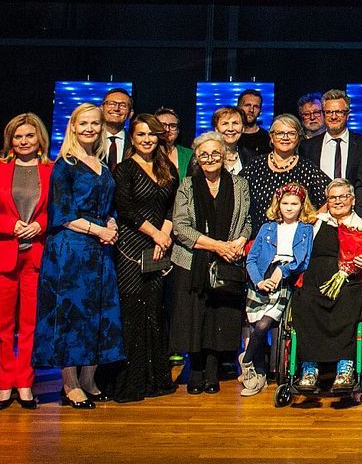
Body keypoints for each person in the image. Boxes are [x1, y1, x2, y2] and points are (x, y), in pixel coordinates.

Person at [33, 103, 125, 409]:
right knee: (70, 315)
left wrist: (110, 223)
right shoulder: (65, 165)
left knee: (97, 313)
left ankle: (89, 379)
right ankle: (70, 384)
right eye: (83, 123)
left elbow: (108, 205)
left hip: (100, 251)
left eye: (95, 123)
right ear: (73, 126)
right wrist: (99, 230)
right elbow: (62, 214)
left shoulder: (102, 163)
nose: (90, 128)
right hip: (70, 250)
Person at [0, 112, 51, 410]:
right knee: (2, 325)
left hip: (36, 256)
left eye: (29, 136)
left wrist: (40, 224)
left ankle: (24, 381)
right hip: (2, 255)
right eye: (18, 136)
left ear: (39, 139)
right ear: (10, 140)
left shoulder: (52, 170)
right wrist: (10, 225)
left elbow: (58, 210)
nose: (23, 141)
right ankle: (4, 382)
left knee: (31, 324)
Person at [170, 133, 251, 394]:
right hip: (192, 261)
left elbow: (247, 221)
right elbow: (180, 227)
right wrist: (217, 246)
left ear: (224, 155)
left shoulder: (240, 184)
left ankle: (213, 370)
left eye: (215, 153)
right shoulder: (187, 185)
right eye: (204, 154)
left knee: (220, 316)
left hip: (227, 261)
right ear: (196, 157)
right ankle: (195, 370)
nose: (210, 158)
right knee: (194, 317)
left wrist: (239, 241)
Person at [292, 180, 362, 393]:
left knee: (349, 299)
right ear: (327, 201)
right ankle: (309, 368)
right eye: (333, 197)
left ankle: (345, 367)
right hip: (314, 280)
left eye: (343, 196)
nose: (338, 201)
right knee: (304, 299)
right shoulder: (314, 223)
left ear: (352, 200)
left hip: (350, 283)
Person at [112, 113, 178, 403]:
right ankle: (132, 382)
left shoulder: (168, 168)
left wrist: (164, 235)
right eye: (141, 134)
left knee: (154, 311)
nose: (147, 139)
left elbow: (172, 207)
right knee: (133, 312)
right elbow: (125, 208)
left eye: (152, 134)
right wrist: (156, 234)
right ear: (132, 138)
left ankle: (157, 380)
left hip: (159, 247)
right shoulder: (124, 169)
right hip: (131, 247)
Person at [241, 184, 316, 396]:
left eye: (294, 203)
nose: (289, 208)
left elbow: (303, 261)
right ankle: (258, 377)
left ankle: (246, 360)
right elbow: (252, 259)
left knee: (264, 324)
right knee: (255, 326)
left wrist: (283, 271)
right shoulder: (267, 228)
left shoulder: (305, 229)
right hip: (262, 278)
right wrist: (258, 281)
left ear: (302, 205)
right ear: (278, 204)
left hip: (284, 279)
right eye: (285, 203)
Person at [244, 114, 329, 220]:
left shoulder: (308, 169)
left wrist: (311, 221)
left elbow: (332, 197)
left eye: (291, 133)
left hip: (296, 230)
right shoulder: (255, 166)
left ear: (298, 137)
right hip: (258, 230)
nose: (285, 138)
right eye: (280, 133)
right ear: (271, 136)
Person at [302, 89, 362, 202]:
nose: (333, 117)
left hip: (353, 209)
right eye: (329, 112)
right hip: (318, 210)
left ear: (347, 115)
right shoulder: (307, 147)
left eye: (338, 112)